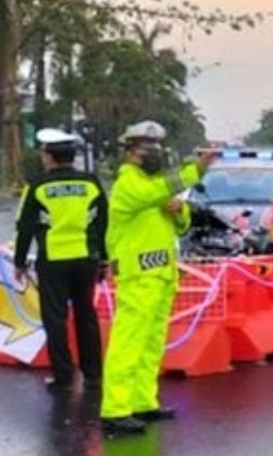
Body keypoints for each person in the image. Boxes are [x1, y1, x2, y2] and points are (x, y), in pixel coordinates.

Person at [100, 122, 217, 435]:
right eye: (145, 149)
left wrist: (179, 210)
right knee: (129, 343)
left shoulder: (154, 188)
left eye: (156, 148)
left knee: (151, 343)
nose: (153, 154)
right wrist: (194, 171)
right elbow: (152, 194)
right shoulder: (129, 185)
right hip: (138, 277)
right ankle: (115, 408)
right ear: (129, 152)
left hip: (161, 275)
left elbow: (181, 226)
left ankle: (142, 401)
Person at [14, 128, 109, 395]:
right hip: (85, 258)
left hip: (53, 260)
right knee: (85, 315)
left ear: (48, 157)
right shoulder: (90, 183)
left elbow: (25, 226)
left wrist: (19, 262)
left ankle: (63, 375)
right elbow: (102, 224)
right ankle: (93, 374)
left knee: (55, 318)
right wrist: (103, 259)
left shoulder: (37, 185)